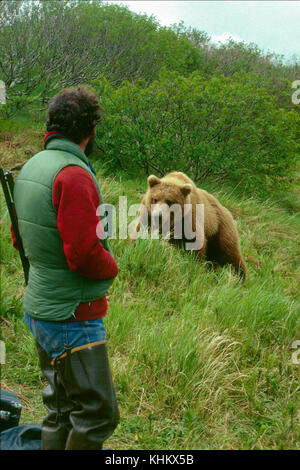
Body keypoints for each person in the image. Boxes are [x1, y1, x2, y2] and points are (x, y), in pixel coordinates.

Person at [11, 86, 120, 450]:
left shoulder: (32, 165)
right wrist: (112, 267)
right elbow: (85, 254)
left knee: (59, 408)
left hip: (41, 307)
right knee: (96, 414)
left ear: (51, 124)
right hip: (73, 316)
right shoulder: (73, 174)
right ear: (90, 130)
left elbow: (18, 238)